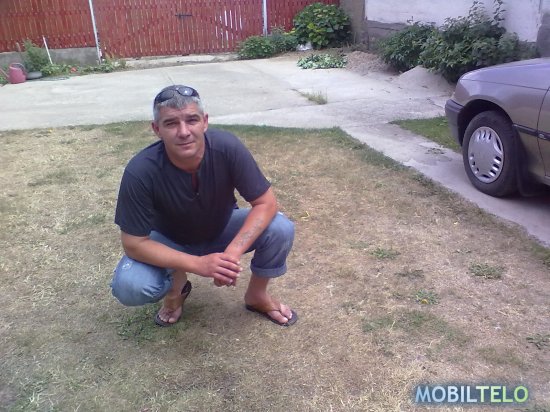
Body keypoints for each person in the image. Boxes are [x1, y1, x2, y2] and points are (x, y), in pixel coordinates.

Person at [110, 85, 297, 327]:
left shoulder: (227, 148)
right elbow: (134, 244)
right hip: (168, 240)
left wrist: (231, 255)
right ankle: (176, 288)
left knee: (281, 227)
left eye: (192, 120)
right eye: (171, 123)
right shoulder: (140, 171)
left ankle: (257, 295)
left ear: (205, 122)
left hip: (220, 227)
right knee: (129, 286)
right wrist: (198, 265)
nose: (184, 132)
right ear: (156, 129)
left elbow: (266, 203)